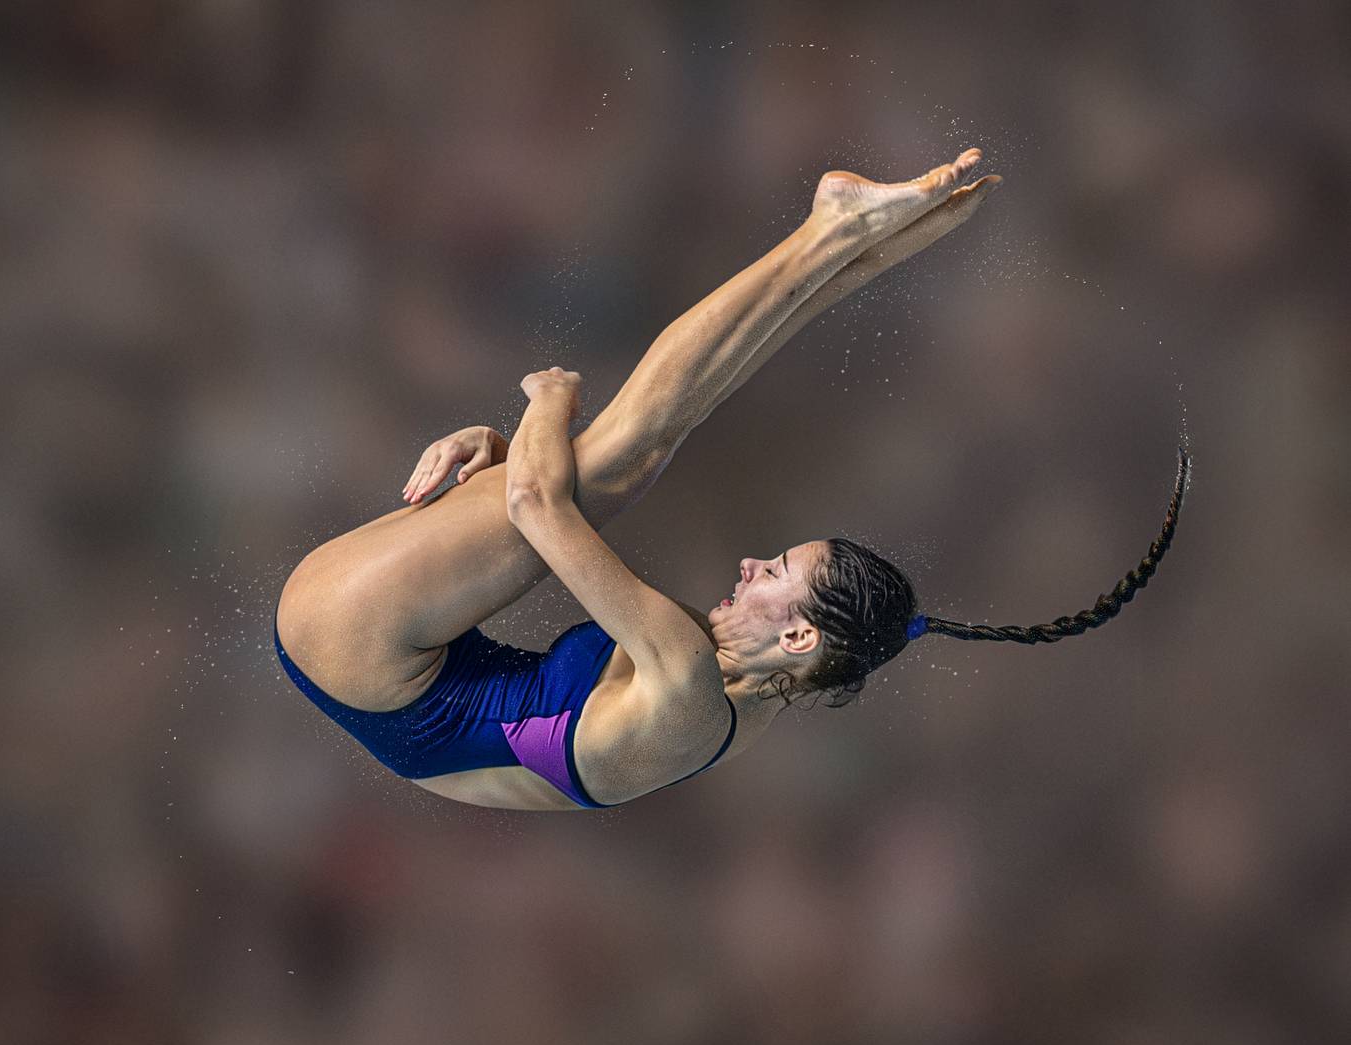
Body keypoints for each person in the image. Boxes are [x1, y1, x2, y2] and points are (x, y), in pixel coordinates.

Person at [274, 148, 1189, 810]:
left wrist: (542, 400)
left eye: (774, 574)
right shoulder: (748, 702)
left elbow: (533, 504)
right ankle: (850, 244)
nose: (751, 565)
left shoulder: (683, 678)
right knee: (636, 456)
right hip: (381, 667)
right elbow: (536, 504)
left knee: (620, 457)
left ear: (797, 636)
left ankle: (831, 232)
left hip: (359, 643)